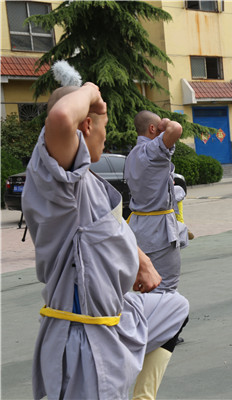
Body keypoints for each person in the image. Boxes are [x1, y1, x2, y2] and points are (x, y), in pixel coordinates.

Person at [22, 84, 189, 399]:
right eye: (104, 125)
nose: (106, 135)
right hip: (83, 337)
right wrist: (90, 91)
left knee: (175, 307)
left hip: (116, 313)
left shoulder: (87, 181)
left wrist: (141, 260)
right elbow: (59, 118)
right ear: (86, 124)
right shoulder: (58, 181)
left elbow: (102, 225)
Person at [125, 111, 188, 293]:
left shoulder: (133, 154)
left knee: (147, 285)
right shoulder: (151, 150)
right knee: (166, 287)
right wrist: (166, 122)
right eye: (159, 127)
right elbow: (175, 128)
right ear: (152, 128)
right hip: (159, 229)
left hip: (139, 225)